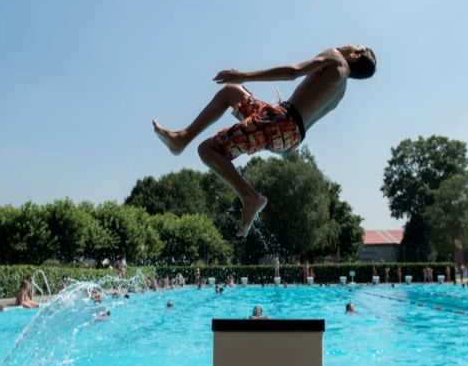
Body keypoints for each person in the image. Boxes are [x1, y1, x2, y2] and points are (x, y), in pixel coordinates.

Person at [153, 45, 376, 236]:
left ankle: (250, 197)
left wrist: (244, 75)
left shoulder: (336, 58)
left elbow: (293, 71)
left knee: (207, 150)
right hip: (289, 135)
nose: (345, 44)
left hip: (279, 121)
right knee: (231, 93)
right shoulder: (340, 90)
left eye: (352, 45)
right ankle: (180, 139)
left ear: (355, 55)